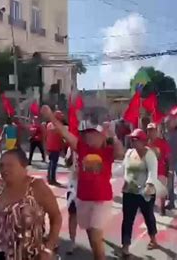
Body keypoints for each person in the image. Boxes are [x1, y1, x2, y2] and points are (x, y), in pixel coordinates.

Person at [42, 105, 124, 260]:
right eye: (86, 135)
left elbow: (120, 152)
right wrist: (51, 117)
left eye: (93, 134)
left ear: (101, 136)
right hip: (83, 199)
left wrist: (113, 135)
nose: (88, 137)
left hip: (101, 200)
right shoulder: (81, 148)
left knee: (95, 235)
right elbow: (64, 132)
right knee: (90, 234)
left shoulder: (107, 152)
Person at [0, 149, 62, 260]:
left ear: (23, 166)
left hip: (31, 256)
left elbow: (56, 217)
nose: (4, 169)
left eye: (10, 165)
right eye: (2, 165)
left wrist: (48, 248)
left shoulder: (36, 187)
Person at [121, 128, 159, 256]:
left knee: (148, 216)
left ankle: (153, 238)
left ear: (143, 141)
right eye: (132, 139)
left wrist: (149, 184)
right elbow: (124, 168)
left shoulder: (150, 154)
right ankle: (125, 245)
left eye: (136, 140)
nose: (133, 142)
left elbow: (153, 172)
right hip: (129, 191)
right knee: (127, 219)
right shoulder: (129, 153)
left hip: (145, 192)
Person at [146, 123, 171, 216]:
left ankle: (162, 208)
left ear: (156, 131)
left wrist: (168, 170)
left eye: (152, 130)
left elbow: (167, 157)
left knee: (161, 191)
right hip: (149, 171)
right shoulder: (145, 143)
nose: (150, 132)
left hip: (161, 170)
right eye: (149, 130)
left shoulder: (162, 142)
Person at [45, 110, 66, 185]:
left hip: (50, 146)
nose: (62, 117)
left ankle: (49, 177)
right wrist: (63, 147)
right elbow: (61, 137)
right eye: (60, 115)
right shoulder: (58, 126)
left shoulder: (49, 124)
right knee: (53, 164)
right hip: (55, 146)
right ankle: (52, 179)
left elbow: (46, 135)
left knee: (51, 163)